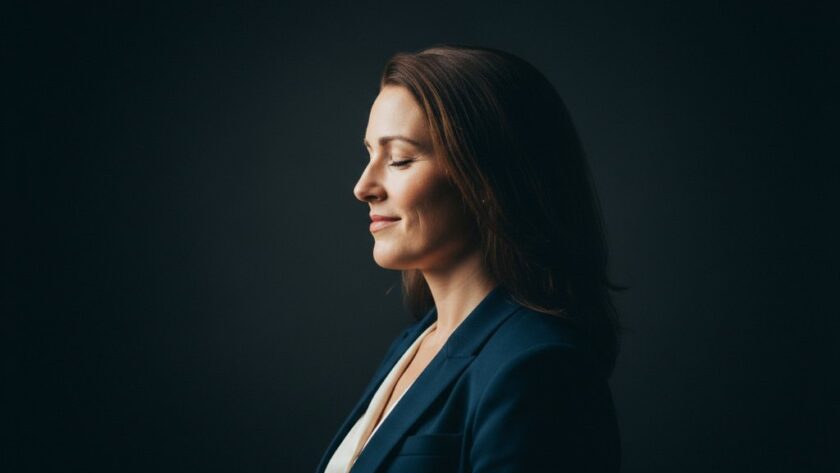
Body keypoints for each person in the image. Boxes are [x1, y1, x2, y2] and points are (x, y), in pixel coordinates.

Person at [316, 44, 622, 473]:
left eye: (399, 159)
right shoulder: (417, 342)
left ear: (487, 177)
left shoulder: (536, 368)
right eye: (370, 154)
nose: (363, 186)